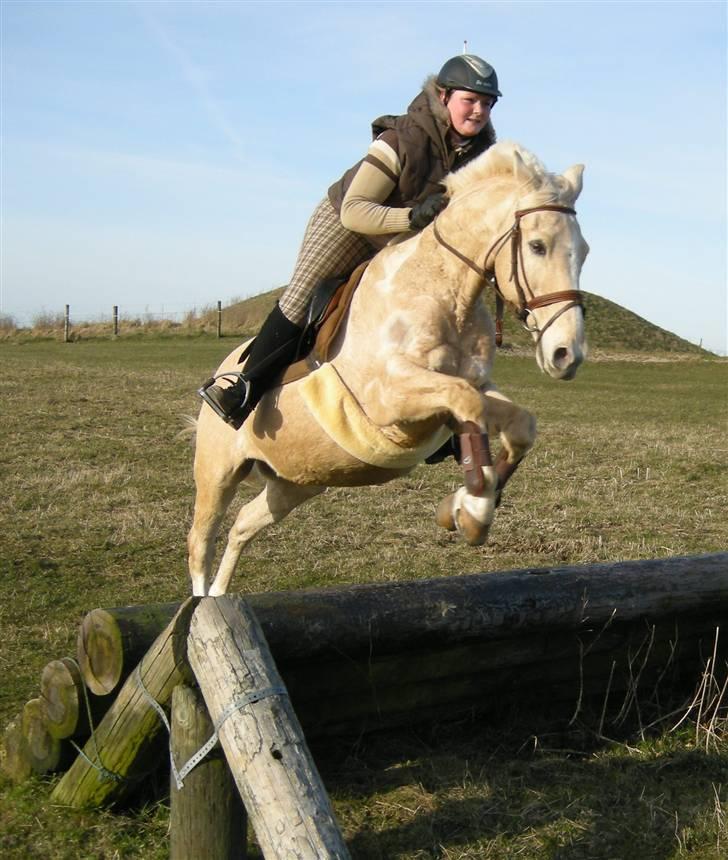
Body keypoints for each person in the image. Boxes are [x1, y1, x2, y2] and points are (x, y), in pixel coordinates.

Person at [199, 53, 501, 429]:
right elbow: (355, 210)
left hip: (401, 240)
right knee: (302, 294)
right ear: (442, 97)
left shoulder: (481, 156)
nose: (478, 111)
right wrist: (411, 216)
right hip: (349, 223)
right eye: (469, 100)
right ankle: (242, 388)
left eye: (487, 103)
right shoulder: (401, 139)